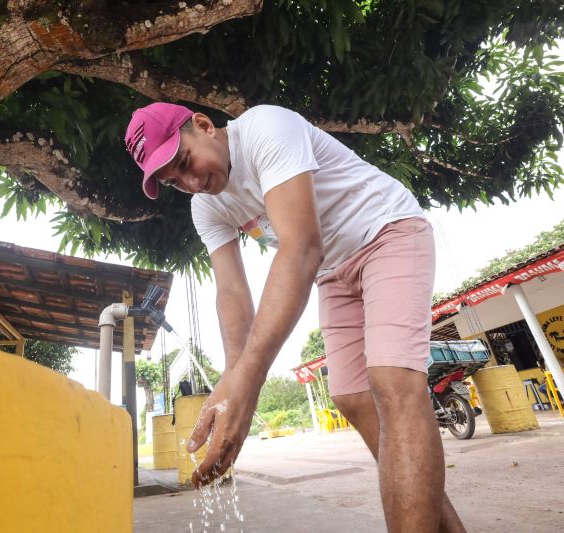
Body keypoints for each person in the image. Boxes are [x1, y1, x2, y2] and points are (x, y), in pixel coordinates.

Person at [125, 102, 466, 532]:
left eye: (185, 162)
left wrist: (249, 382)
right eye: (176, 181)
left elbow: (302, 248)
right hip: (333, 272)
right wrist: (232, 382)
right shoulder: (206, 207)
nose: (192, 182)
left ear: (204, 126)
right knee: (352, 398)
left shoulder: (267, 127)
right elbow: (231, 291)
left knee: (394, 382)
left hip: (387, 231)